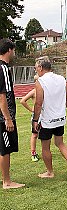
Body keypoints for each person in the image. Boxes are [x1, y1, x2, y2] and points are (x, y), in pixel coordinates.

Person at [33, 56, 67, 178]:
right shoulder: (61, 79)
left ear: (41, 68)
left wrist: (35, 120)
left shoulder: (40, 82)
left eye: (36, 68)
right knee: (60, 143)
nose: (36, 70)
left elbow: (38, 103)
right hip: (60, 118)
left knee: (45, 147)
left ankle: (50, 172)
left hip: (47, 120)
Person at [0, 38, 25, 189]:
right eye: (13, 50)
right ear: (9, 50)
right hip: (3, 118)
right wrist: (8, 119)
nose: (14, 53)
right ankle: (7, 182)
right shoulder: (3, 69)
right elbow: (3, 96)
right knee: (5, 149)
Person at [20, 75, 40, 162]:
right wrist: (31, 109)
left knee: (46, 135)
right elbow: (22, 101)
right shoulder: (34, 92)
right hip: (36, 116)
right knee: (35, 134)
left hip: (45, 116)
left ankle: (46, 151)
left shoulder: (46, 91)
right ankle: (33, 153)